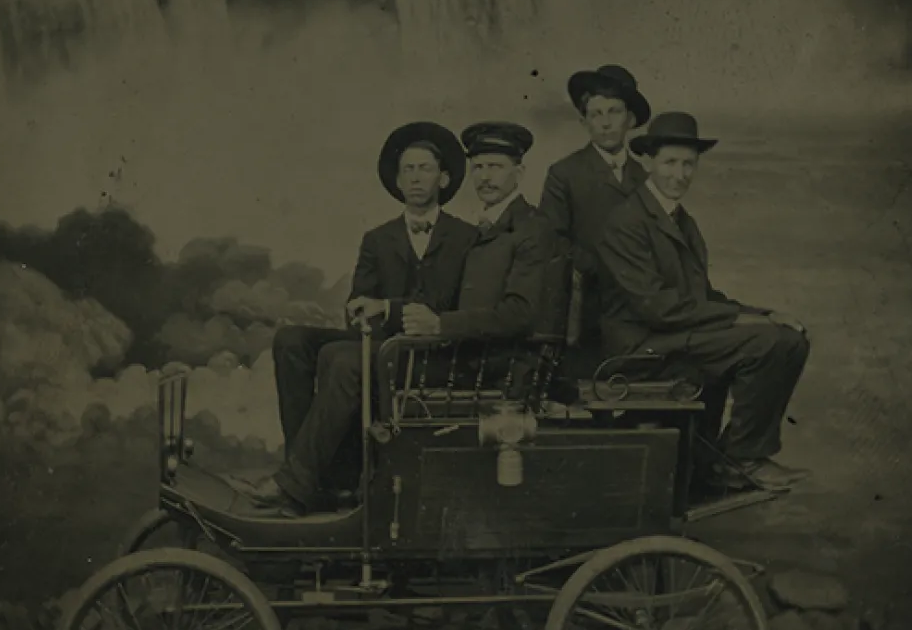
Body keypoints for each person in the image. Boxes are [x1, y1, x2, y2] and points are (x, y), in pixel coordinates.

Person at [240, 122, 479, 516]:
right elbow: (357, 308)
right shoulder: (377, 238)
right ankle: (308, 476)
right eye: (408, 170)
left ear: (445, 178)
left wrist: (387, 308)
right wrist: (360, 311)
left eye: (424, 168)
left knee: (342, 358)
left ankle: (298, 483)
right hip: (383, 346)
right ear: (397, 182)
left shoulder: (467, 238)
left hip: (432, 353)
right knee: (291, 339)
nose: (416, 178)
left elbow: (448, 307)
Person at [595, 112, 813, 490]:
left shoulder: (682, 221)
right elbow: (656, 307)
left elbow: (701, 297)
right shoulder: (626, 221)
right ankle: (741, 459)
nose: (679, 174)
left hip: (672, 336)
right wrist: (736, 322)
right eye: (669, 162)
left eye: (688, 164)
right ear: (648, 161)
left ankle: (726, 455)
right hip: (639, 347)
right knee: (769, 343)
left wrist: (760, 313)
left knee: (790, 337)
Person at [399, 121, 555, 343]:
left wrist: (441, 325)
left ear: (519, 173)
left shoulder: (533, 227)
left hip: (505, 361)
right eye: (478, 167)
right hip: (468, 355)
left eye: (495, 167)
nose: (485, 177)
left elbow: (521, 314)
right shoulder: (475, 230)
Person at [537, 64, 652, 354]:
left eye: (614, 112)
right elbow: (551, 239)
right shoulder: (565, 173)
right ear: (584, 122)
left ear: (630, 118)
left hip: (640, 306)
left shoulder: (646, 179)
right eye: (595, 114)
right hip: (586, 306)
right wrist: (595, 266)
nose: (605, 123)